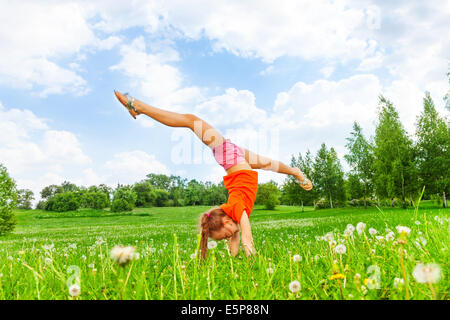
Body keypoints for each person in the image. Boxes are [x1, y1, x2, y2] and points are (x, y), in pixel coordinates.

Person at [114, 90, 313, 259]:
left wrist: (249, 247)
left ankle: (137, 105)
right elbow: (235, 238)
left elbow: (244, 232)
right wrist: (234, 255)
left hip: (232, 160)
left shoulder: (235, 210)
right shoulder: (231, 217)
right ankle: (296, 173)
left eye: (225, 236)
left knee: (191, 121)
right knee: (268, 163)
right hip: (238, 161)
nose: (228, 238)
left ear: (226, 221)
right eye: (225, 238)